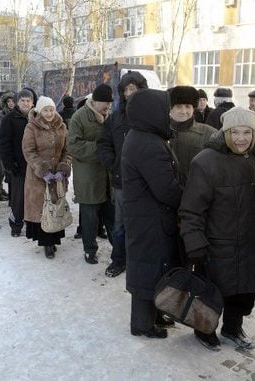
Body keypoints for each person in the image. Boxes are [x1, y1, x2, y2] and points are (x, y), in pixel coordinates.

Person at [179, 106, 255, 351]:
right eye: (235, 132)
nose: (241, 138)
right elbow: (191, 209)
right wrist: (195, 242)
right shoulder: (206, 161)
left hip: (251, 240)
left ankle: (233, 328)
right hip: (218, 242)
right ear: (225, 132)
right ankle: (204, 329)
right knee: (214, 292)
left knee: (244, 291)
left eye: (247, 132)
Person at [121, 88, 183, 339]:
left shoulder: (141, 136)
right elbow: (166, 189)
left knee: (152, 268)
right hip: (151, 218)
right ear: (151, 112)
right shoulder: (149, 144)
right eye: (164, 109)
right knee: (148, 270)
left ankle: (153, 315)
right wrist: (187, 198)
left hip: (144, 216)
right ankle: (143, 325)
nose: (167, 114)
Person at [97, 71, 147, 277]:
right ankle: (118, 260)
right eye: (125, 90)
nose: (129, 93)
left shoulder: (151, 115)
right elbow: (103, 144)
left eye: (133, 89)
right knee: (119, 225)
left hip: (147, 181)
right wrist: (114, 164)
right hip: (122, 181)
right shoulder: (115, 117)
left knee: (144, 224)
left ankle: (141, 260)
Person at [66, 83, 115, 265]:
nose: (107, 107)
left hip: (108, 176)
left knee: (112, 216)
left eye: (110, 104)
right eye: (104, 104)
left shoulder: (110, 117)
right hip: (88, 177)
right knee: (89, 218)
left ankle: (118, 252)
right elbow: (73, 145)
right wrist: (102, 150)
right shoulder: (79, 117)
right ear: (94, 101)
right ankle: (90, 250)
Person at [21, 96, 70, 258]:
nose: (49, 113)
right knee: (43, 208)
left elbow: (68, 150)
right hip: (38, 177)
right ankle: (46, 244)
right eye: (45, 110)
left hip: (57, 176)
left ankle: (54, 238)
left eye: (51, 109)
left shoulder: (62, 126)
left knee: (56, 206)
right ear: (39, 111)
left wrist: (63, 167)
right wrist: (43, 170)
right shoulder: (31, 127)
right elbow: (29, 151)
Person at [0, 89, 34, 237]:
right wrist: (10, 164)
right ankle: (16, 225)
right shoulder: (10, 118)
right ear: (17, 102)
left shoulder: (36, 116)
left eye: (28, 100)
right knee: (18, 199)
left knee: (33, 197)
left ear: (32, 102)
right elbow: (3, 143)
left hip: (34, 166)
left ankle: (32, 223)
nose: (26, 103)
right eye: (23, 100)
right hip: (18, 166)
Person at [168, 86, 217, 186]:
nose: (183, 111)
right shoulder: (160, 133)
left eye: (187, 106)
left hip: (198, 193)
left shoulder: (209, 133)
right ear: (170, 108)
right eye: (178, 106)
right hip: (166, 194)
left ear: (193, 108)